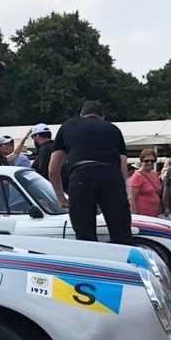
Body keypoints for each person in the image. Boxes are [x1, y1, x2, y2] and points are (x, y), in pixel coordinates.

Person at [49, 100, 131, 244]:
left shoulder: (68, 126)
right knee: (121, 232)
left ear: (81, 114)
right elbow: (123, 168)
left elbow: (52, 170)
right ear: (103, 116)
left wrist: (62, 198)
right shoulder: (113, 129)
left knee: (84, 235)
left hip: (82, 174)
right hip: (110, 175)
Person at [127, 147, 162, 217]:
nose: (149, 163)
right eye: (146, 161)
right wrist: (135, 215)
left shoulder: (155, 174)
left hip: (154, 213)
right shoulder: (137, 176)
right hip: (142, 215)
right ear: (141, 161)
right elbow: (131, 198)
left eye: (152, 161)